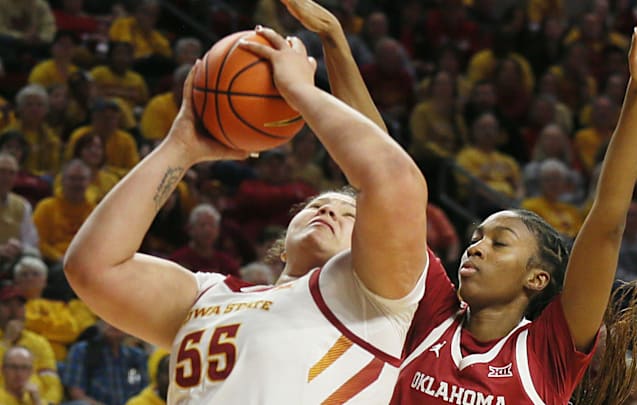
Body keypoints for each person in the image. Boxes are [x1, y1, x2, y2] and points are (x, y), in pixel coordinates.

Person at [64, 3, 430, 405]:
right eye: (319, 205)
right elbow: (92, 267)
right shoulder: (207, 296)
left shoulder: (376, 299)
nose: (329, 211)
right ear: (284, 232)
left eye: (349, 216)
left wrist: (300, 89)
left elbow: (392, 178)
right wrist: (180, 147)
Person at [391, 1, 637, 404]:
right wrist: (334, 42)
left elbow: (607, 224)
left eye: (499, 242)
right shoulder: (434, 313)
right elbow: (385, 178)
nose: (476, 246)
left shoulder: (547, 352)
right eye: (477, 237)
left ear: (537, 279)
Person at [62, 320, 148, 405]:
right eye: (109, 318)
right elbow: (77, 394)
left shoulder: (137, 356)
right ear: (100, 322)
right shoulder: (82, 350)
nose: (114, 324)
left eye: (120, 319)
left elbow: (144, 392)